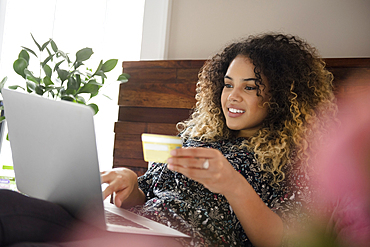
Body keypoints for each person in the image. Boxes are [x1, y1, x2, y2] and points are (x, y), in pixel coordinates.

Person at [0, 33, 337, 247]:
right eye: (228, 83)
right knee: (7, 204)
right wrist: (131, 184)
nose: (232, 96)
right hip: (139, 228)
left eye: (249, 87)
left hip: (188, 241)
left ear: (282, 96)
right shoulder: (201, 137)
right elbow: (142, 196)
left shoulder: (302, 160)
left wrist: (234, 185)